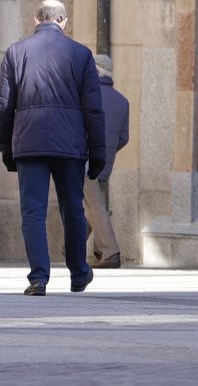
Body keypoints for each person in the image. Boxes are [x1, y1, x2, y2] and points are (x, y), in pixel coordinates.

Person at [0, 0, 106, 297]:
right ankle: (79, 273)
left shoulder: (16, 52)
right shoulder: (81, 54)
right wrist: (98, 153)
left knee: (33, 210)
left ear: (36, 20)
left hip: (29, 143)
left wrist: (7, 149)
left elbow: (3, 107)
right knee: (73, 208)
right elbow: (93, 109)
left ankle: (39, 278)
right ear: (64, 22)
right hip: (70, 144)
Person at [84, 54, 129, 269]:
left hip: (83, 160)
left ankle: (110, 252)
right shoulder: (122, 101)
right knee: (91, 205)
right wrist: (108, 152)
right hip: (105, 163)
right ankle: (76, 246)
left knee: (94, 205)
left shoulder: (87, 95)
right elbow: (123, 138)